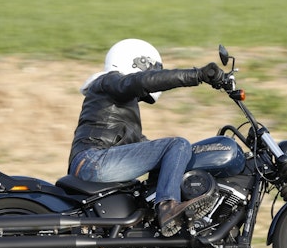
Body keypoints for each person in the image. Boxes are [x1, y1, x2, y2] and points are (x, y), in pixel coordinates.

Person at [68, 39, 225, 236]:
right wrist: (198, 75)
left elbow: (144, 147)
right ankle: (167, 208)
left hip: (95, 161)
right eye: (153, 69)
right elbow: (140, 81)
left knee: (175, 151)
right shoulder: (109, 81)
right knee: (177, 144)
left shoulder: (114, 98)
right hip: (94, 161)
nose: (154, 74)